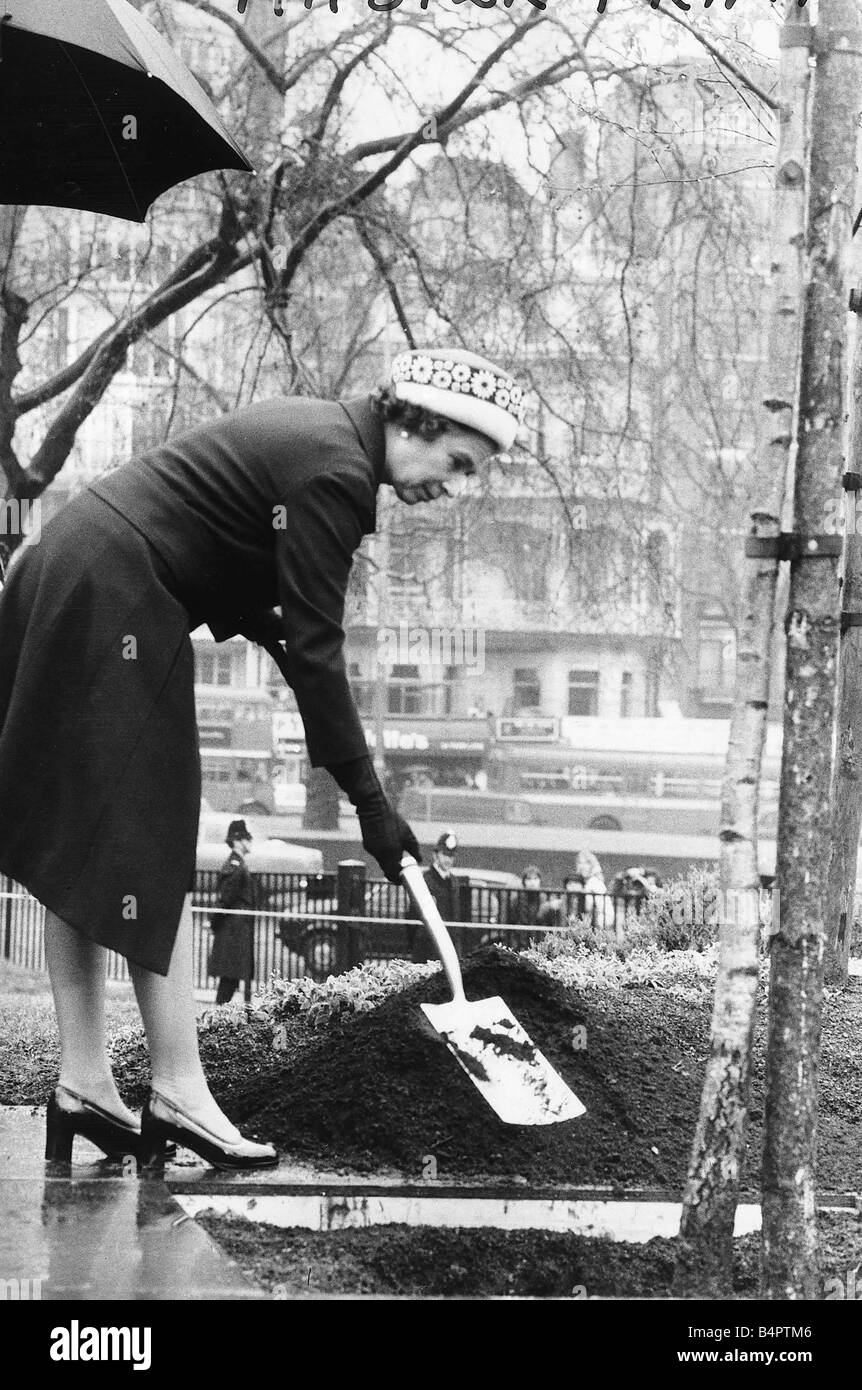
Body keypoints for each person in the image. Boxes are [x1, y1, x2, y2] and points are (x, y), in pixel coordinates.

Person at [0, 346, 524, 1170]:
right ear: (417, 422)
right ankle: (177, 1091)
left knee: (88, 840)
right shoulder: (336, 472)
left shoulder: (318, 430)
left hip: (72, 568)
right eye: (456, 461)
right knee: (151, 844)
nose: (450, 485)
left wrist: (261, 620)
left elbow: (219, 536)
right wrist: (371, 802)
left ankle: (85, 1082)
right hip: (116, 592)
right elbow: (318, 646)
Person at [208, 820, 258, 1005]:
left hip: (236, 929)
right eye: (246, 839)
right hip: (233, 931)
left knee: (232, 978)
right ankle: (217, 1014)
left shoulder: (237, 864)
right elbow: (226, 899)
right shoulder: (235, 866)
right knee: (230, 978)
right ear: (237, 841)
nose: (249, 843)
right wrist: (213, 922)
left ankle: (219, 1013)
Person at [410, 830, 463, 963]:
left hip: (449, 947)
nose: (448, 860)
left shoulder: (454, 881)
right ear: (435, 855)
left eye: (451, 856)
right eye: (444, 854)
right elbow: (413, 915)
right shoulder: (425, 880)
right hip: (428, 947)